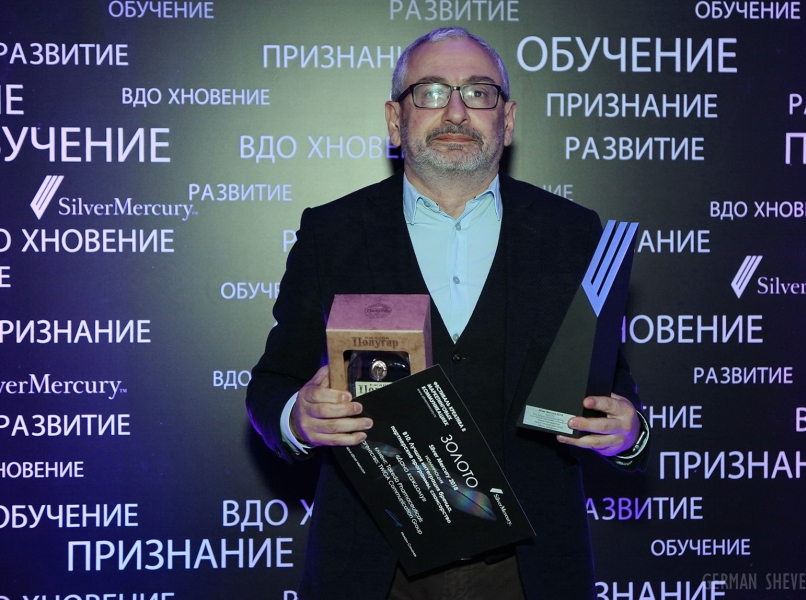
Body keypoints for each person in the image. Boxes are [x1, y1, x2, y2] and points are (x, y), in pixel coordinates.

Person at [246, 27, 649, 600]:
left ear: (507, 121)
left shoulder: (572, 233)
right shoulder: (331, 233)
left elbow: (611, 389)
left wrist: (626, 434)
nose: (456, 111)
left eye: (479, 92)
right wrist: (297, 418)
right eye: (431, 92)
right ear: (395, 120)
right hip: (374, 572)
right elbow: (272, 384)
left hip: (529, 570)